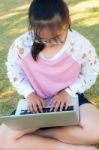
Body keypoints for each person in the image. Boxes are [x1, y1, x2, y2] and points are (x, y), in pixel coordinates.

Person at [0, 0, 99, 150]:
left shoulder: (79, 45)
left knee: (96, 130)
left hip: (70, 99)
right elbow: (13, 70)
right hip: (35, 104)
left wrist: (68, 92)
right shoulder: (21, 45)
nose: (49, 43)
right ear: (32, 27)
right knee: (2, 141)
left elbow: (90, 72)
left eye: (56, 37)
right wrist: (30, 94)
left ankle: (41, 133)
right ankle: (72, 148)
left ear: (68, 22)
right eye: (42, 38)